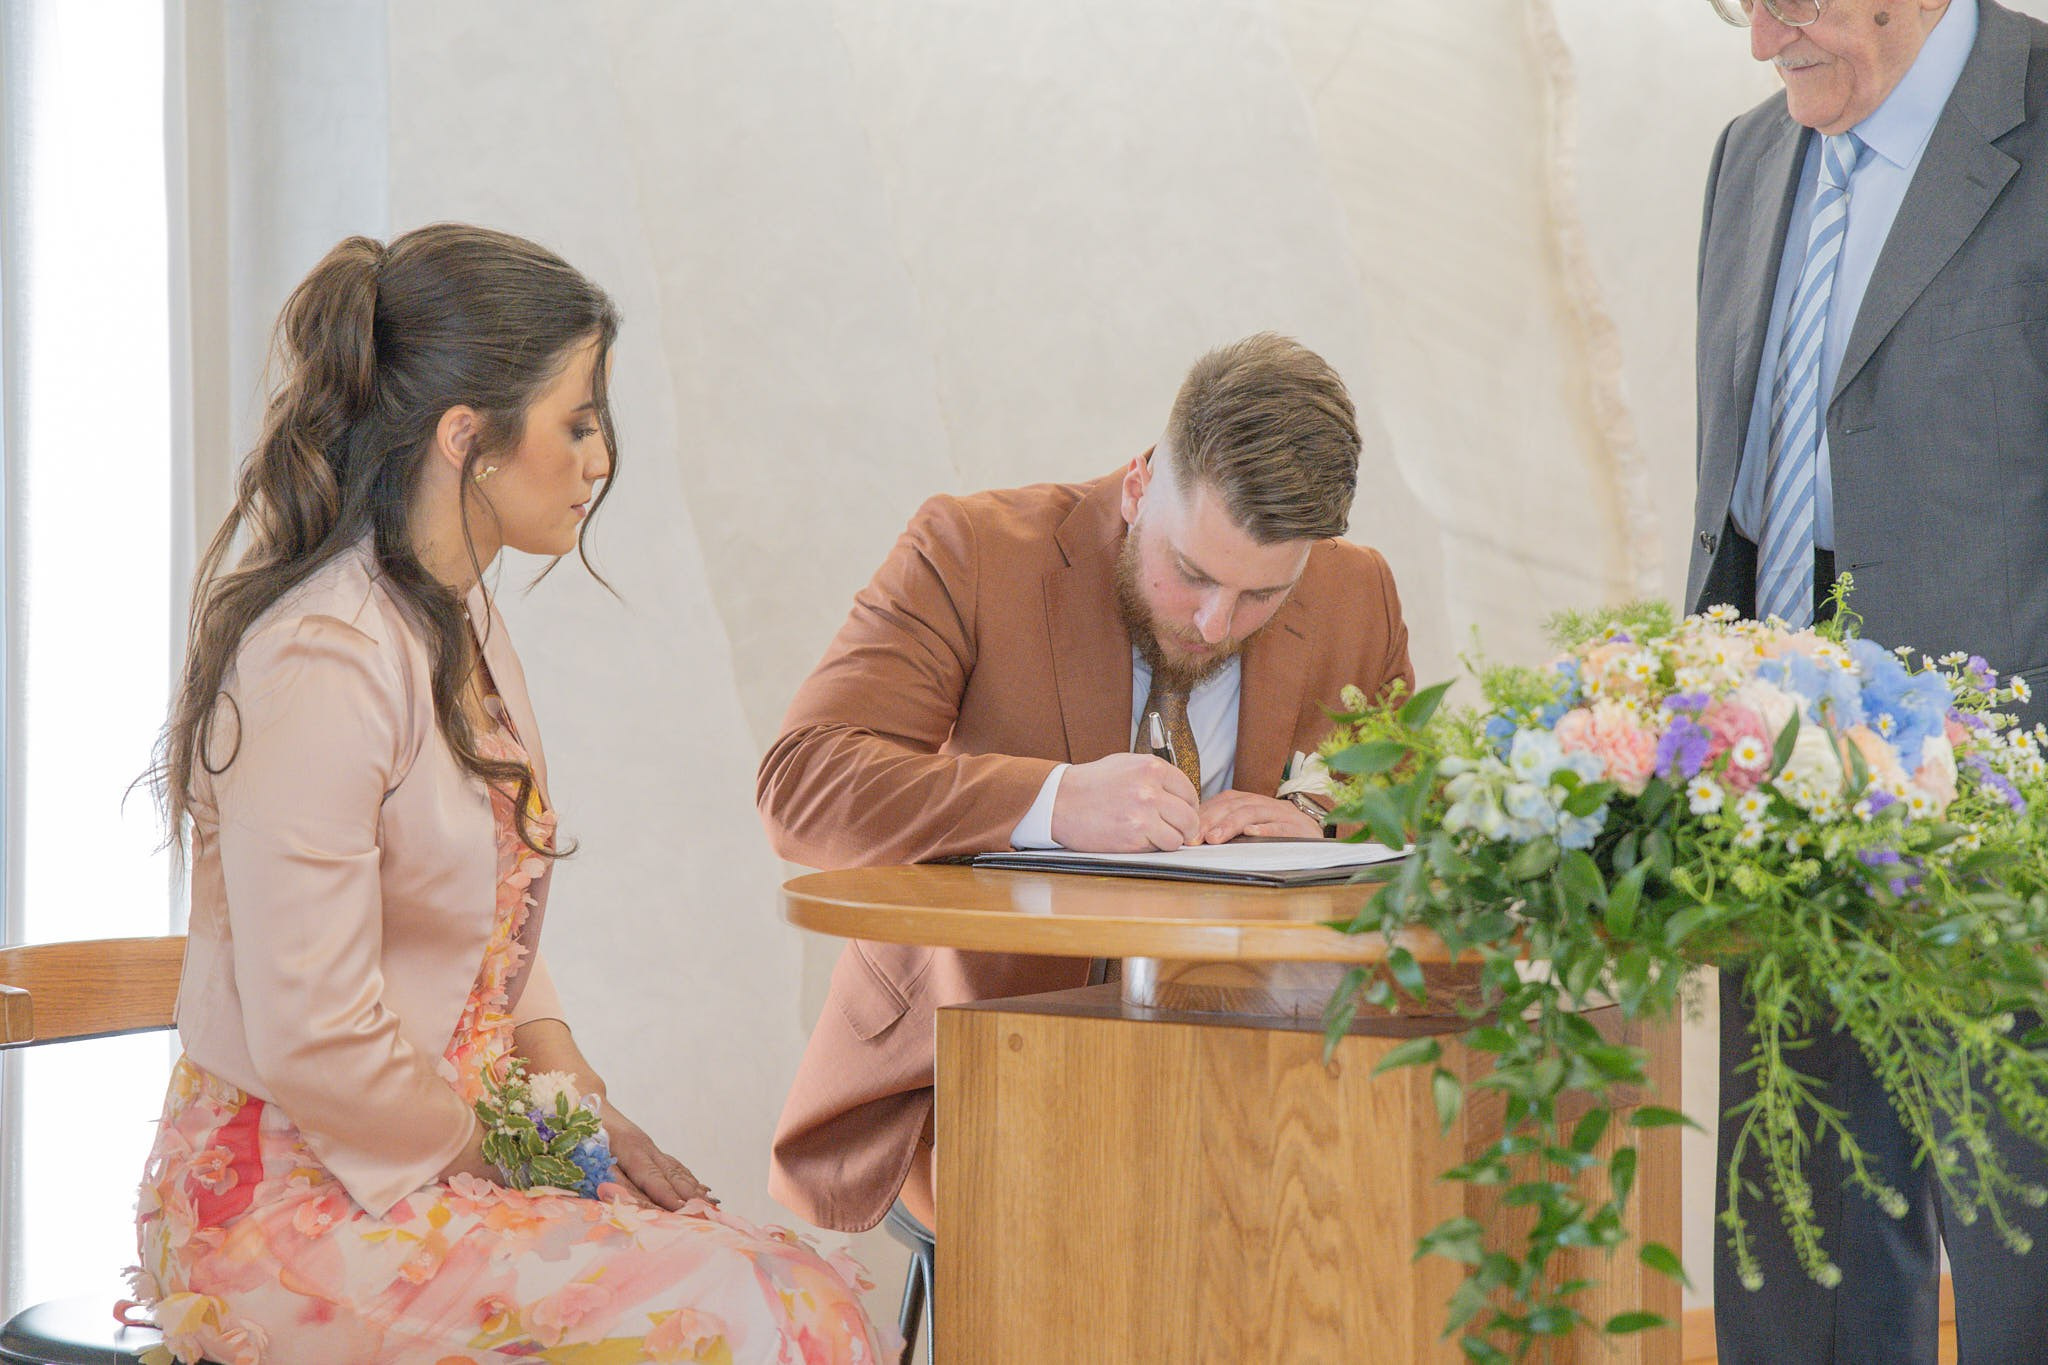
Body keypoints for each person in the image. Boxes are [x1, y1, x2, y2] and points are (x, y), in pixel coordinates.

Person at [132, 225, 889, 1364]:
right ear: (466, 440)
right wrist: (531, 1150)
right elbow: (316, 1042)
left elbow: (489, 922)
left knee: (786, 1289)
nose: (599, 458)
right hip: (293, 1204)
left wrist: (580, 1104)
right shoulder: (322, 660)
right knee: (752, 1313)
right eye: (576, 422)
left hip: (430, 1159)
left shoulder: (458, 619)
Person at [758, 333, 1416, 1234]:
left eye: (1264, 596)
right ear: (1142, 485)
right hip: (979, 1064)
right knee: (1125, 1227)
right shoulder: (975, 548)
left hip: (1251, 1069)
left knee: (1355, 1207)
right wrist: (1052, 803)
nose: (1216, 621)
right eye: (1189, 574)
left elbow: (1425, 812)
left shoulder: (1356, 592)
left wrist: (1320, 824)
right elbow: (804, 781)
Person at [1690, 1, 2048, 1358]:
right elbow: (1741, 503)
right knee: (1797, 1261)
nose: (1760, 37)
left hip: (2013, 823)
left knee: (2024, 1264)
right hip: (1776, 802)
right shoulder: (1747, 155)